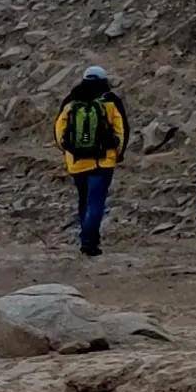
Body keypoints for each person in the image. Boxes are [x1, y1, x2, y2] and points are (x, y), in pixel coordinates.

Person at [52, 67, 130, 257]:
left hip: (77, 162)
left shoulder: (71, 100)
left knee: (83, 200)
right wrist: (118, 154)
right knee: (96, 203)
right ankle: (89, 242)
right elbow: (121, 130)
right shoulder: (110, 101)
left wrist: (69, 150)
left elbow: (59, 130)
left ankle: (87, 239)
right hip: (103, 162)